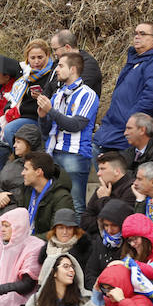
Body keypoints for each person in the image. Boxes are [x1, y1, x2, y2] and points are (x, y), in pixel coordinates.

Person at [94, 22, 153, 152]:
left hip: (133, 132)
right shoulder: (136, 60)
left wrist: (131, 123)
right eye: (136, 33)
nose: (137, 37)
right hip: (113, 130)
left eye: (142, 34)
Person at [37, 51, 98, 216]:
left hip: (75, 155)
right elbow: (46, 131)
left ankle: (78, 242)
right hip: (54, 153)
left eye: (60, 65)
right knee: (56, 204)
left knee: (76, 205)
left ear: (73, 69)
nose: (56, 69)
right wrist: (42, 116)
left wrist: (51, 111)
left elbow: (76, 125)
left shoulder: (88, 94)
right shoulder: (57, 95)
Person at [0, 39, 56, 147]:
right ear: (27, 58)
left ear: (47, 56)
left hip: (35, 118)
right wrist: (8, 109)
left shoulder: (51, 75)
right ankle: (2, 156)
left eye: (40, 57)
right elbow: (14, 96)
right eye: (33, 58)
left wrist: (40, 97)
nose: (36, 61)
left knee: (9, 129)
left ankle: (19, 158)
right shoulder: (25, 74)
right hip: (18, 115)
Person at [21, 253, 102, 306]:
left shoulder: (83, 300)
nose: (71, 270)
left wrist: (97, 295)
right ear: (53, 272)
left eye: (72, 267)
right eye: (66, 266)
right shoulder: (35, 300)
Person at [0, 123, 42, 221]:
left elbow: (29, 191)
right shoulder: (12, 161)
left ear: (29, 143)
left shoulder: (38, 165)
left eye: (18, 142)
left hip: (14, 209)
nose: (14, 145)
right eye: (14, 142)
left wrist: (7, 198)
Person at [17, 151, 74, 237]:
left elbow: (58, 234)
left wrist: (30, 241)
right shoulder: (27, 190)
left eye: (26, 169)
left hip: (46, 246)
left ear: (38, 172)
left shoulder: (62, 197)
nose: (22, 173)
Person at [80, 152, 137, 235]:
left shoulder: (132, 189)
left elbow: (120, 221)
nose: (98, 173)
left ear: (117, 171)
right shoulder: (101, 189)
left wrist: (104, 200)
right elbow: (85, 222)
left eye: (103, 169)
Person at [83, 199, 132, 290]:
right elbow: (90, 274)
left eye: (114, 225)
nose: (109, 230)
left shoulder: (132, 244)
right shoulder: (100, 241)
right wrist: (104, 289)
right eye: (106, 225)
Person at [48, 29, 102, 97]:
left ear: (67, 47)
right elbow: (48, 88)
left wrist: (50, 105)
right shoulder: (57, 63)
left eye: (55, 49)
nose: (54, 53)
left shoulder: (89, 65)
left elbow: (77, 91)